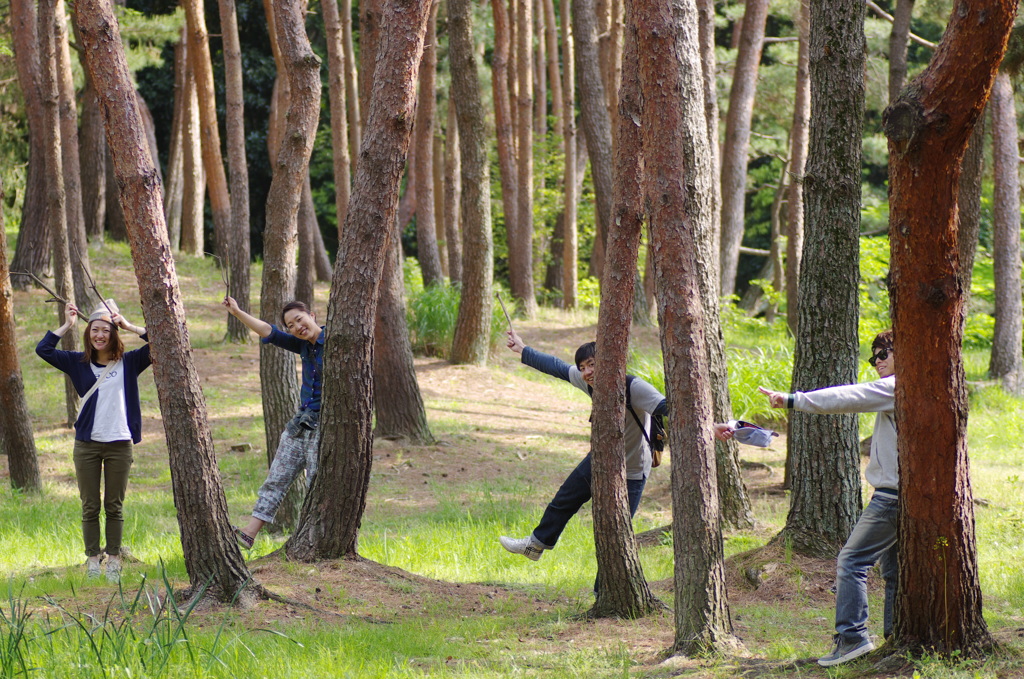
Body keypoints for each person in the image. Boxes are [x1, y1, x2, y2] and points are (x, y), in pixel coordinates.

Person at [499, 329, 732, 562]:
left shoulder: (634, 387)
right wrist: (522, 349)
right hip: (601, 459)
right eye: (582, 368)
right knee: (564, 499)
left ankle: (605, 593)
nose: (587, 372)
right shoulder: (587, 381)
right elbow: (556, 366)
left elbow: (669, 407)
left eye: (591, 365)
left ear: (609, 361)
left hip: (632, 468)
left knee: (616, 533)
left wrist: (710, 426)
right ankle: (536, 545)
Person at [759, 329, 896, 667]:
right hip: (900, 493)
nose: (876, 361)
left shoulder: (898, 387)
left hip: (893, 498)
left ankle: (852, 638)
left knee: (851, 561)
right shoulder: (900, 389)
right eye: (873, 356)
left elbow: (848, 397)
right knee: (893, 571)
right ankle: (897, 637)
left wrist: (794, 399)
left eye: (883, 354)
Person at [36, 300, 151, 582]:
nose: (99, 335)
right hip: (87, 444)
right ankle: (92, 559)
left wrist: (130, 325)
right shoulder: (77, 362)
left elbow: (159, 342)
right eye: (94, 330)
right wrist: (67, 325)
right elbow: (43, 350)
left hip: (120, 443)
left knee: (115, 505)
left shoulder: (130, 362)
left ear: (114, 334)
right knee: (90, 505)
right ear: (89, 334)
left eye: (106, 331)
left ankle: (113, 559)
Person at [222, 296, 324, 549]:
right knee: (276, 479)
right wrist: (237, 313)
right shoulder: (303, 346)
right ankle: (249, 533)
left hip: (325, 426)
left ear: (312, 315)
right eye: (291, 325)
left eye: (299, 319)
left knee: (316, 484)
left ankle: (314, 539)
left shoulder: (337, 341)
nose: (297, 326)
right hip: (301, 423)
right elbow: (269, 331)